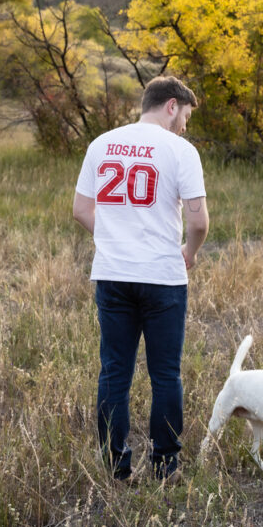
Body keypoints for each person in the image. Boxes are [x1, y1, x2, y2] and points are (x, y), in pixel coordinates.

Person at [73, 75, 209, 482]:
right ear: (171, 105)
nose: (184, 125)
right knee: (165, 373)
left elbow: (81, 210)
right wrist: (190, 253)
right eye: (184, 115)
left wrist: (116, 238)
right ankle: (165, 467)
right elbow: (199, 221)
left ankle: (117, 467)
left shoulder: (101, 144)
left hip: (113, 275)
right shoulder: (180, 150)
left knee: (115, 371)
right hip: (162, 277)